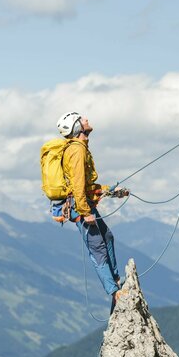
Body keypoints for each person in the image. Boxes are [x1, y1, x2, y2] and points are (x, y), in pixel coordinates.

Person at [56, 111, 129, 310]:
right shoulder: (76, 150)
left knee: (108, 237)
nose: (86, 119)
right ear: (77, 127)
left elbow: (87, 186)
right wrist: (85, 212)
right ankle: (114, 292)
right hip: (81, 207)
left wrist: (113, 191)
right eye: (82, 119)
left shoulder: (80, 148)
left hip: (84, 204)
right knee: (98, 249)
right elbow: (78, 185)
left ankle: (115, 280)